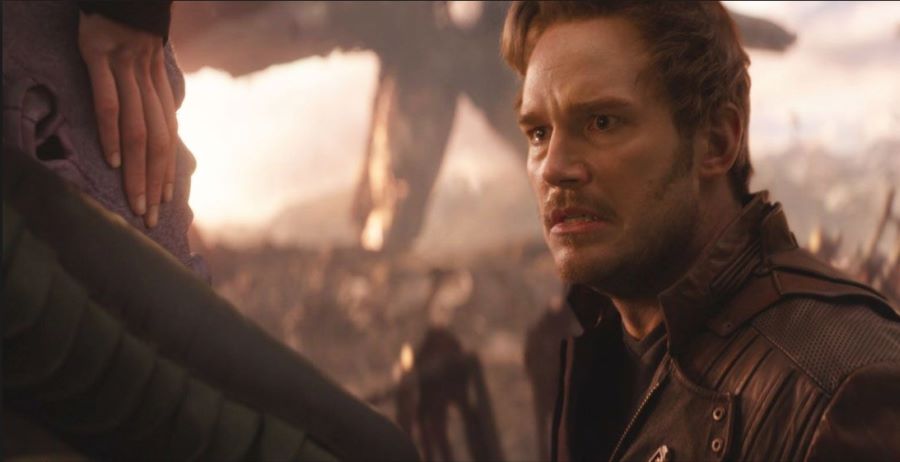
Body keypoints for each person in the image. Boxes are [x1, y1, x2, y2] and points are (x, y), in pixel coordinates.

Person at [500, 2, 900, 461]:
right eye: (538, 133)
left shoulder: (841, 389)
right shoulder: (600, 351)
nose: (553, 168)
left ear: (716, 141)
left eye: (602, 122)